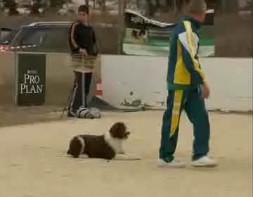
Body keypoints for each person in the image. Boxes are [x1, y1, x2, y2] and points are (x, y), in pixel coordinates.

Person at [158, 0, 218, 168]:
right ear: (201, 12)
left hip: (189, 84)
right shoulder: (187, 29)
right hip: (180, 83)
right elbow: (190, 59)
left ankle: (200, 154)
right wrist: (203, 81)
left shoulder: (186, 28)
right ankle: (165, 157)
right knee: (173, 120)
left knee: (201, 118)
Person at [68, 5, 97, 117]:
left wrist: (94, 53)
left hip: (89, 59)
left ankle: (82, 106)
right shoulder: (75, 26)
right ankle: (73, 108)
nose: (82, 16)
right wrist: (79, 49)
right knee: (79, 83)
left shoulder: (90, 28)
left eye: (84, 14)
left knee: (86, 84)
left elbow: (93, 42)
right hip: (78, 58)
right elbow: (71, 39)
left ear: (88, 15)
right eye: (80, 14)